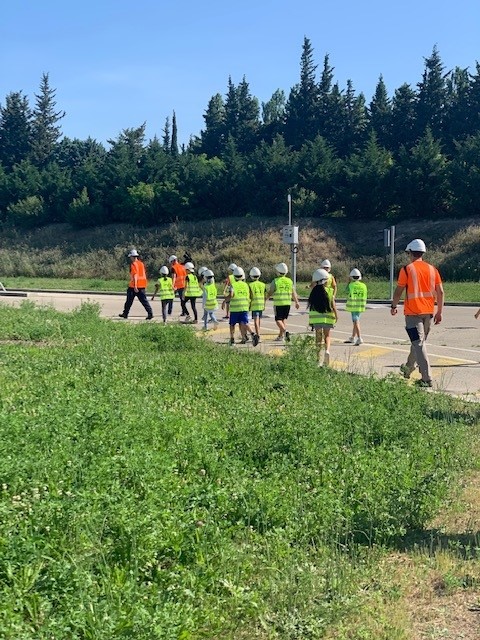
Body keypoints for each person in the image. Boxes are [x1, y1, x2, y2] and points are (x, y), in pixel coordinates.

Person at [390, 238, 444, 388]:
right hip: (429, 313)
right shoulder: (433, 270)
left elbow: (399, 290)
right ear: (423, 253)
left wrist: (394, 305)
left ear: (410, 253)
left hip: (413, 314)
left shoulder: (407, 269)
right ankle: (408, 368)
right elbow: (440, 292)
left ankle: (426, 378)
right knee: (418, 343)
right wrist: (439, 312)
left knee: (418, 343)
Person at [308, 268, 338, 366]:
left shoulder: (313, 292)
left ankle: (317, 358)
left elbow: (311, 306)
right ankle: (327, 351)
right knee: (327, 336)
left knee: (318, 338)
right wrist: (336, 316)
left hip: (316, 319)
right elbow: (333, 305)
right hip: (328, 318)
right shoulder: (330, 291)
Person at [224, 266, 259, 346]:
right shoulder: (246, 285)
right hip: (244, 307)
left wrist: (224, 300)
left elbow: (231, 295)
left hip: (235, 308)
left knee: (232, 324)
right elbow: (250, 295)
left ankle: (232, 340)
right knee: (245, 322)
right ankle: (253, 334)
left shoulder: (233, 285)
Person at [268, 262, 300, 342]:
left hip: (278, 303)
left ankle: (285, 332)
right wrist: (296, 302)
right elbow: (293, 292)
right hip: (287, 303)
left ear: (278, 272)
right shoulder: (289, 281)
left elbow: (270, 292)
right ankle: (280, 336)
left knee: (278, 320)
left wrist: (265, 298)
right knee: (283, 319)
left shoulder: (275, 281)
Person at [118, 249, 153, 320]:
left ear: (132, 257)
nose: (130, 258)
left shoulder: (133, 264)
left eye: (130, 257)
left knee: (129, 301)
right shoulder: (141, 263)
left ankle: (125, 313)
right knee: (144, 301)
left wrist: (135, 286)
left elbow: (135, 275)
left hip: (134, 286)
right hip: (142, 285)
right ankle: (150, 313)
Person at [344, 268, 368, 345]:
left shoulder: (351, 285)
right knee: (355, 322)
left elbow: (346, 291)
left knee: (356, 321)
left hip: (353, 306)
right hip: (360, 305)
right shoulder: (363, 285)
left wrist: (348, 282)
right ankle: (352, 337)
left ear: (351, 277)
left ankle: (359, 337)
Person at [248, 267, 267, 342]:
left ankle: (258, 335)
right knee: (259, 320)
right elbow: (264, 295)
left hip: (254, 304)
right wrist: (264, 304)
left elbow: (250, 296)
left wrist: (249, 305)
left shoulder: (250, 285)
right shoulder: (263, 284)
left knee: (256, 320)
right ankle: (258, 332)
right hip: (261, 304)